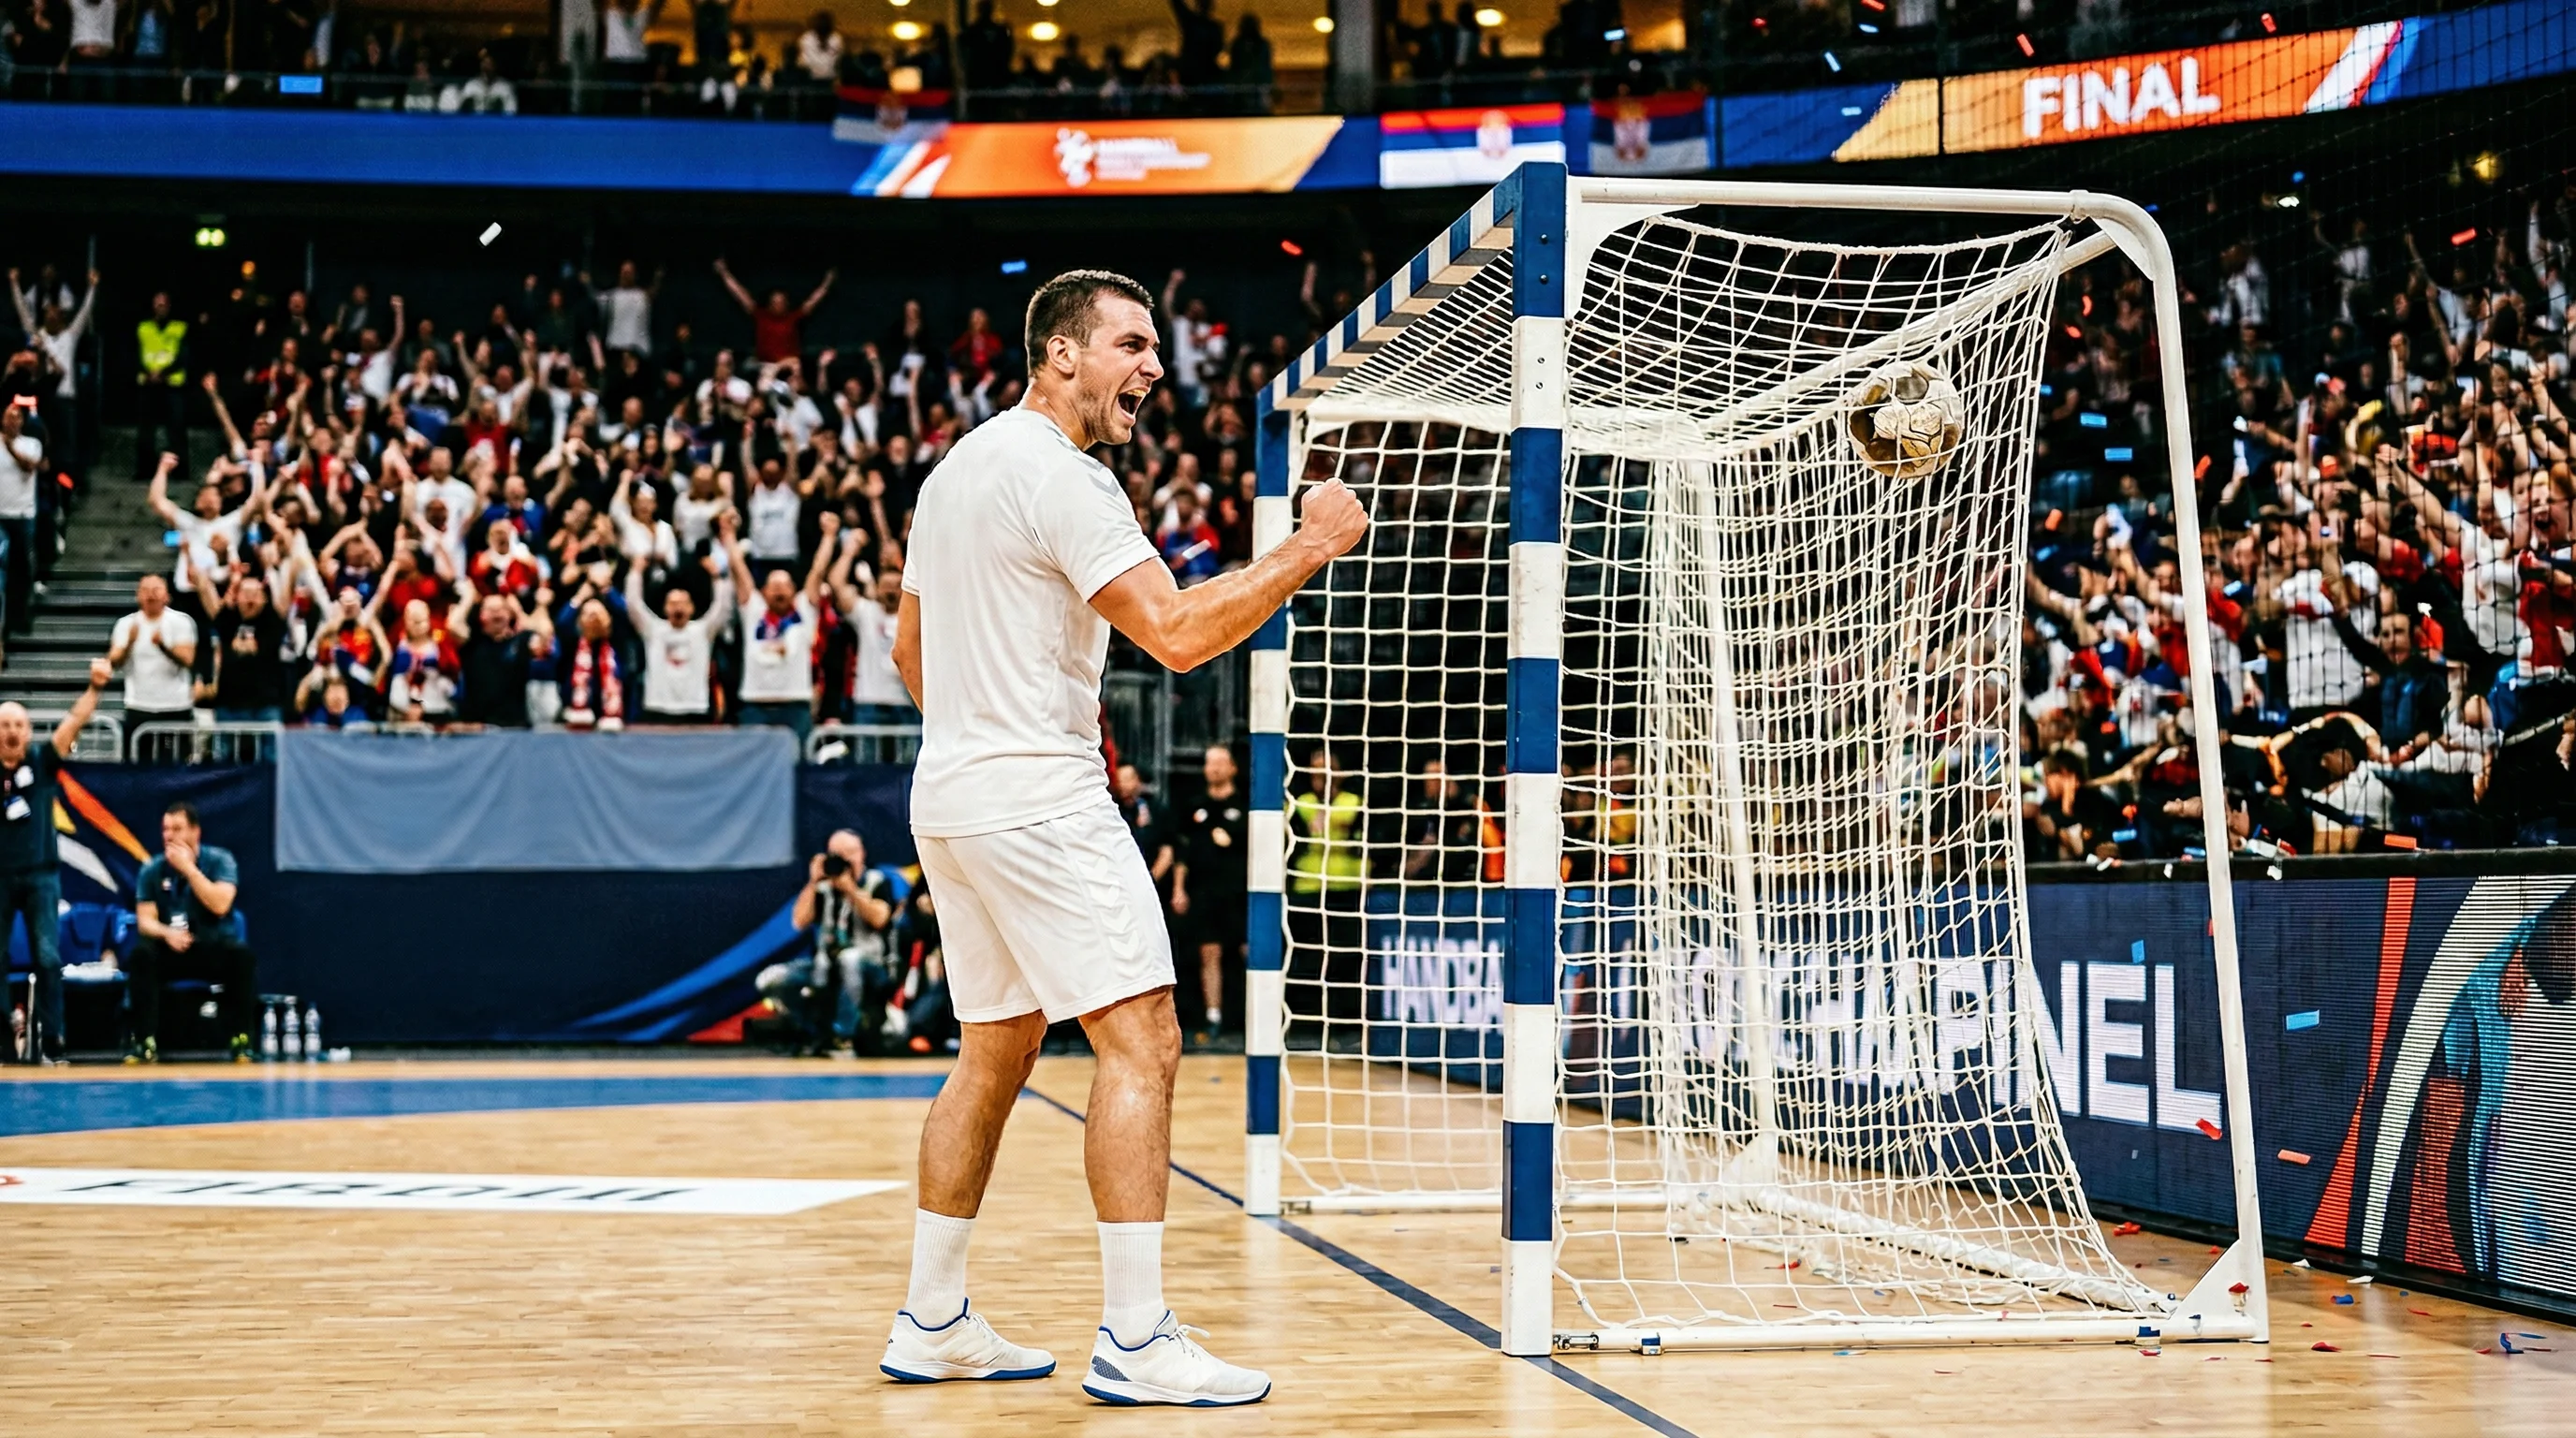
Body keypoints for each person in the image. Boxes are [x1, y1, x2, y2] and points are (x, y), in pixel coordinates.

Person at [881, 268, 1367, 1404]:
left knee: (993, 1052)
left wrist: (986, 737)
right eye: (1131, 344)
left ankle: (932, 1318)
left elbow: (908, 654)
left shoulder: (955, 471)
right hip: (1036, 796)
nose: (1156, 365)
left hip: (950, 792)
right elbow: (1179, 634)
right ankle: (1138, 1340)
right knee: (1144, 1038)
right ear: (1061, 353)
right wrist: (1308, 548)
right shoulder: (1066, 476)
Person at [0, 663, 110, 1064]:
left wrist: (95, 688)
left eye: (19, 725)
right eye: (5, 725)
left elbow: (74, 722)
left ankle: (52, 1039)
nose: (12, 731)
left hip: (41, 875)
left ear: (29, 732)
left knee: (48, 957)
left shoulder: (42, 763)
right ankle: (3, 1039)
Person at [122, 800, 257, 1064]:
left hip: (210, 945)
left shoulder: (220, 861)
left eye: (177, 829)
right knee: (141, 955)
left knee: (241, 956)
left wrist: (189, 870)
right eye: (165, 829)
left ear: (195, 832)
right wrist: (167, 933)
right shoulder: (152, 869)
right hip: (172, 949)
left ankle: (241, 1039)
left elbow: (220, 905)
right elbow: (145, 921)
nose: (169, 836)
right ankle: (143, 1040)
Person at [1168, 743, 1246, 1049]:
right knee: (1208, 953)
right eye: (1208, 762)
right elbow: (1182, 853)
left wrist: (1232, 840)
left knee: (1247, 951)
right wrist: (1179, 888)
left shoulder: (1246, 805)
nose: (1212, 768)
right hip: (1204, 892)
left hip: (1238, 892)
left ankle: (1257, 1015)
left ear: (1232, 768)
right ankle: (1213, 1017)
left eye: (1219, 762)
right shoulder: (1195, 806)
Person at [727, 525, 822, 738]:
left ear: (794, 590)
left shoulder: (804, 610)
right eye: (774, 586)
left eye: (784, 586)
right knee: (752, 758)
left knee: (798, 758)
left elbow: (817, 571)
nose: (779, 590)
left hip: (795, 703)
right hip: (755, 703)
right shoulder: (753, 610)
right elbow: (739, 571)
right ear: (764, 592)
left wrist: (829, 536)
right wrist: (728, 534)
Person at [108, 574, 200, 756]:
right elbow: (113, 661)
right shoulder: (126, 624)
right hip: (139, 705)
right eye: (145, 590)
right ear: (138, 595)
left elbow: (187, 659)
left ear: (167, 595)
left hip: (176, 706)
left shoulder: (181, 621)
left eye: (156, 590)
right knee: (138, 762)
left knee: (177, 762)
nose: (151, 595)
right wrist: (129, 643)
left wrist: (163, 647)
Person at [713, 258, 836, 366]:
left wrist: (828, 281)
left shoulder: (793, 317)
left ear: (787, 303)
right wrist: (724, 273)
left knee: (795, 366)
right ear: (769, 304)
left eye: (781, 302)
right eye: (775, 302)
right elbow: (740, 295)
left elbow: (813, 301)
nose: (778, 305)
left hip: (789, 364)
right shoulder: (761, 315)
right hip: (764, 364)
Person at [0, 401, 45, 650]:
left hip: (23, 514)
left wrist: (10, 448)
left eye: (17, 417)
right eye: (9, 416)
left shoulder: (31, 444)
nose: (12, 421)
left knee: (23, 567)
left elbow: (29, 466)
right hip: (0, 515)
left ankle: (21, 617)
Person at [136, 291, 190, 479]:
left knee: (176, 429)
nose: (161, 308)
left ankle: (180, 470)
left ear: (169, 306)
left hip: (172, 384)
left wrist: (164, 373)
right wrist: (148, 373)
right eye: (157, 304)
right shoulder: (143, 328)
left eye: (163, 304)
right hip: (148, 383)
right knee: (145, 431)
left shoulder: (179, 328)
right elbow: (135, 354)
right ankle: (145, 470)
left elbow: (184, 356)